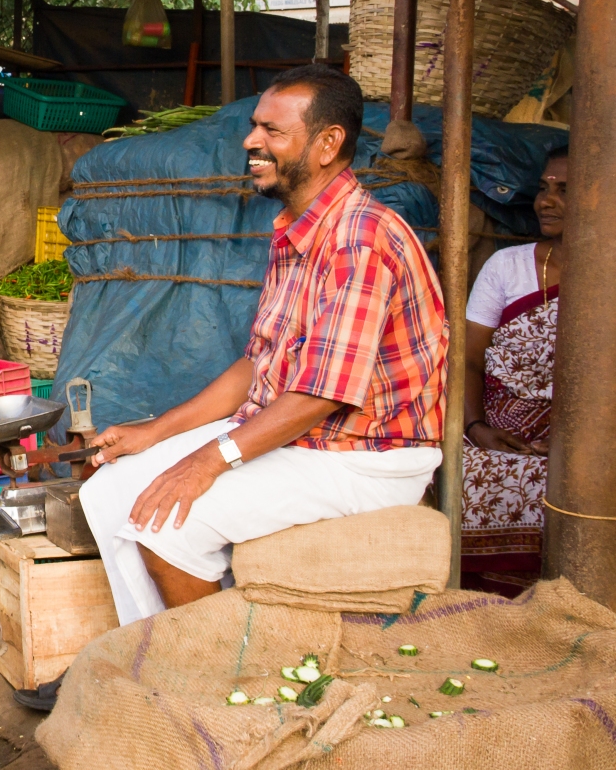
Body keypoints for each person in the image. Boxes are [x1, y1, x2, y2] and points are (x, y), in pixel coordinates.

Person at [78, 64, 447, 627]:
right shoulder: (296, 229)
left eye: (272, 131)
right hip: (304, 435)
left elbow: (320, 397)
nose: (251, 141)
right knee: (107, 491)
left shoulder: (360, 239)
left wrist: (207, 460)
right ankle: (152, 649)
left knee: (168, 521)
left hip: (364, 458)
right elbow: (258, 364)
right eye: (255, 127)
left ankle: (218, 668)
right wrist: (154, 433)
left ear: (327, 144)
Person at [459, 148, 567, 596]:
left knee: (575, 485)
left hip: (578, 442)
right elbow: (466, 359)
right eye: (544, 188)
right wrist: (476, 427)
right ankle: (482, 604)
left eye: (565, 190)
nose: (546, 200)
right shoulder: (508, 266)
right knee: (456, 469)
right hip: (497, 433)